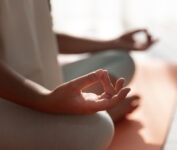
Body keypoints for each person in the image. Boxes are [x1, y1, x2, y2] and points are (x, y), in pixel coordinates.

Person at [0, 0, 156, 150]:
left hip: (43, 83)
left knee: (121, 59)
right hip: (9, 97)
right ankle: (96, 113)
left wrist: (113, 43)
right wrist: (44, 100)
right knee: (99, 128)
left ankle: (63, 112)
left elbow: (45, 36)